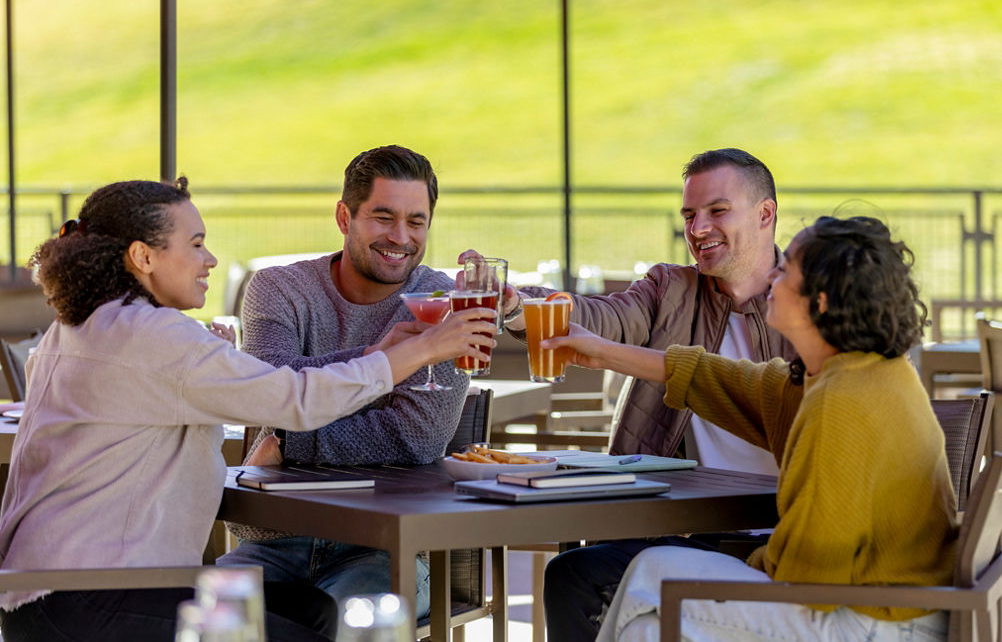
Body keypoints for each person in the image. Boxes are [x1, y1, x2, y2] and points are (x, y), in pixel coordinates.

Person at [0, 178, 494, 642]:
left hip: (51, 591)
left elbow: (275, 385)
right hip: (91, 600)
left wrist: (375, 354)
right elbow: (295, 400)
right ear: (143, 256)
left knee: (310, 611)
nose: (210, 259)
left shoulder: (88, 325)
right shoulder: (153, 336)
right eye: (195, 244)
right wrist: (422, 351)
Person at [545, 216, 954, 641]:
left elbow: (811, 572)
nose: (772, 276)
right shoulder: (848, 372)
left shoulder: (844, 399)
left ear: (822, 300)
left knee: (651, 585)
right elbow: (719, 378)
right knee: (648, 603)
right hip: (876, 603)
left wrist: (751, 563)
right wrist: (600, 352)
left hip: (875, 620)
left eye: (786, 269)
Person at [477, 148, 798, 639]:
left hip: (782, 535)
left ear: (765, 214)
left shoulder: (806, 304)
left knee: (579, 574)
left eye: (717, 211)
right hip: (688, 528)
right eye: (690, 214)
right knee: (578, 569)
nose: (698, 228)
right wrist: (521, 306)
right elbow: (603, 319)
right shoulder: (671, 289)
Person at [217, 144, 465, 619]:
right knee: (209, 620)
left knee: (348, 624)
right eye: (383, 217)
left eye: (416, 221)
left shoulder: (443, 299)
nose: (401, 237)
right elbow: (268, 393)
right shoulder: (279, 289)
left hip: (382, 547)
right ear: (344, 216)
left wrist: (289, 441)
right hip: (275, 538)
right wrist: (382, 361)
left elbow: (414, 438)